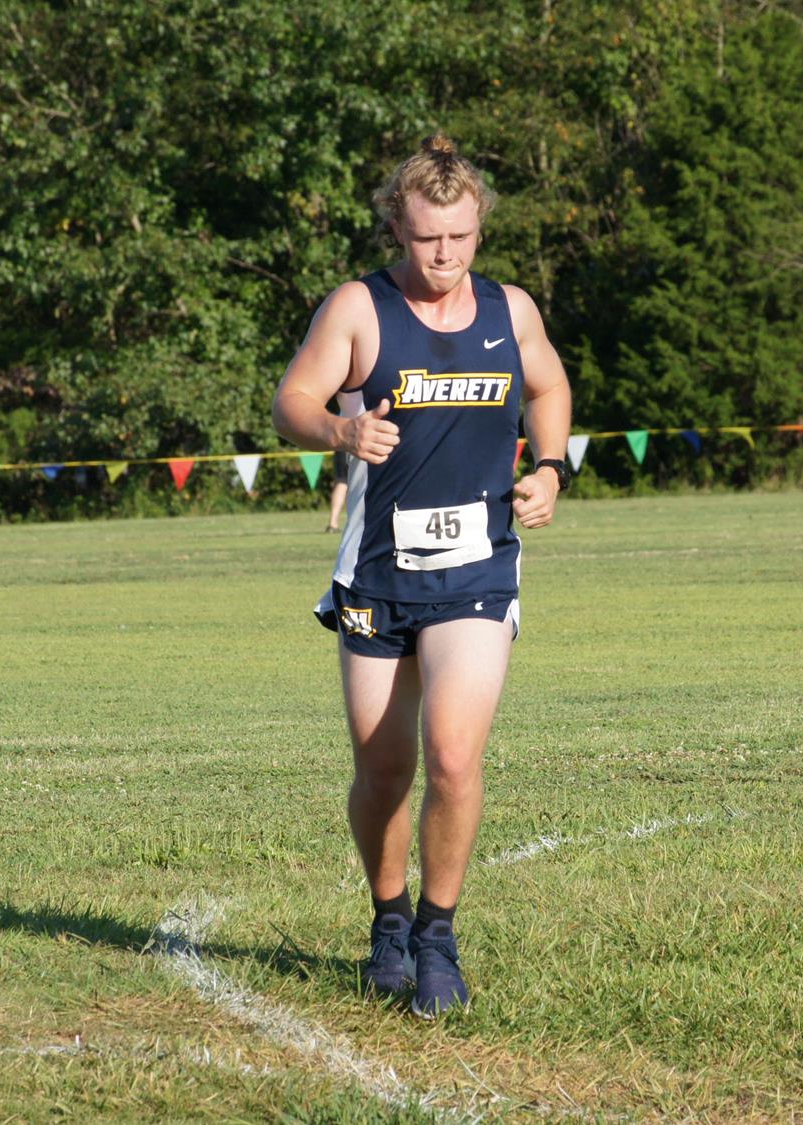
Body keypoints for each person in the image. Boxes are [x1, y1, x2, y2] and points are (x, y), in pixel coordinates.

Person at [272, 135, 574, 1019]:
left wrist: (551, 469)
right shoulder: (359, 308)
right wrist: (339, 431)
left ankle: (438, 936)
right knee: (384, 765)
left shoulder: (508, 310)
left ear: (480, 228)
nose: (444, 257)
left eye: (461, 238)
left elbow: (548, 387)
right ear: (398, 230)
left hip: (478, 565)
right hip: (376, 571)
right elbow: (292, 399)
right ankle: (388, 920)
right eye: (426, 240)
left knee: (452, 753)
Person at [325, 451, 351, 532]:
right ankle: (334, 524)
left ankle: (333, 522)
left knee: (341, 482)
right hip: (354, 451)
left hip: (341, 450)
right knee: (343, 483)